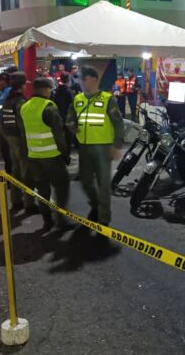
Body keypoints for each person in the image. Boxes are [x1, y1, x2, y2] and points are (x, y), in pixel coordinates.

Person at [66, 66, 125, 227]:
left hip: (104, 148)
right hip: (84, 148)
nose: (81, 82)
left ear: (93, 79)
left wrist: (116, 145)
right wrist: (71, 125)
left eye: (83, 79)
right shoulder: (77, 99)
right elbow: (70, 118)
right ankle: (95, 205)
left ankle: (104, 218)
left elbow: (118, 123)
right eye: (80, 79)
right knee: (85, 182)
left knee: (103, 184)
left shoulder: (107, 99)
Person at [21, 77, 73, 232]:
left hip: (34, 157)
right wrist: (65, 154)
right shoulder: (49, 107)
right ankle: (61, 219)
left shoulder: (25, 107)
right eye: (50, 89)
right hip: (52, 157)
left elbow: (24, 133)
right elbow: (59, 135)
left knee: (43, 190)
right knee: (62, 186)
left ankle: (47, 220)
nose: (51, 92)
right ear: (44, 89)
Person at [0, 72, 38, 214]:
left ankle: (16, 200)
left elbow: (2, 122)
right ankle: (30, 204)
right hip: (20, 139)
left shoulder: (7, 101)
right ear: (23, 85)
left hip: (10, 138)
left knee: (15, 170)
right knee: (26, 171)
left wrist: (8, 136)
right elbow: (24, 125)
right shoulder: (21, 102)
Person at [53, 72, 74, 156]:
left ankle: (62, 155)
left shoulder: (57, 91)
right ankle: (67, 156)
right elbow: (72, 104)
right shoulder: (68, 91)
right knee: (68, 138)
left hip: (59, 117)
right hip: (68, 117)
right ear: (68, 79)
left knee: (61, 138)